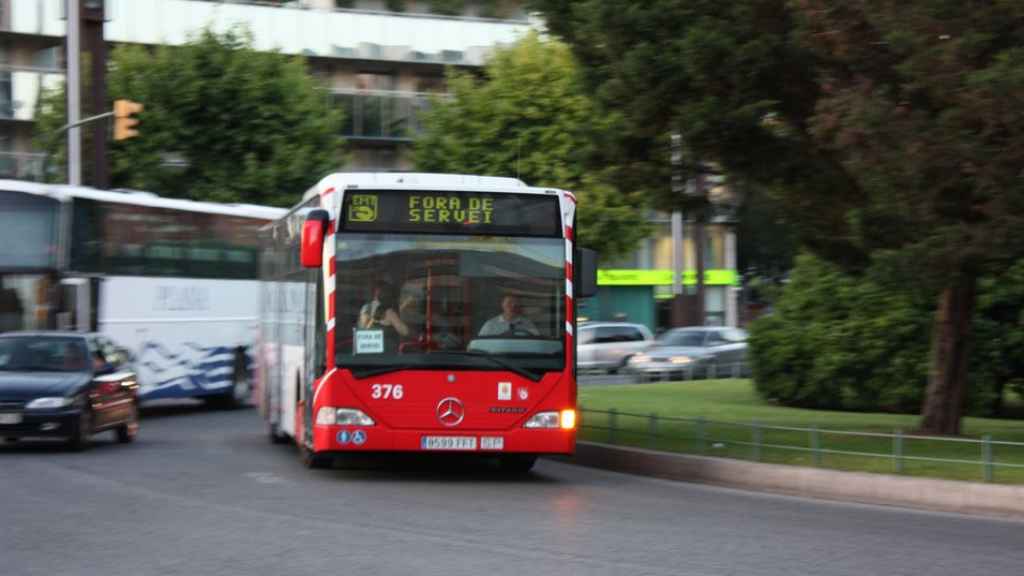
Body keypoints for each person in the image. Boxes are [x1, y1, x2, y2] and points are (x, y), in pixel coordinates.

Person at [358, 282, 411, 349]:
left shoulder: (365, 308)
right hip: (385, 356)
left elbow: (361, 328)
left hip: (365, 352)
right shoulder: (389, 313)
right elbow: (405, 332)